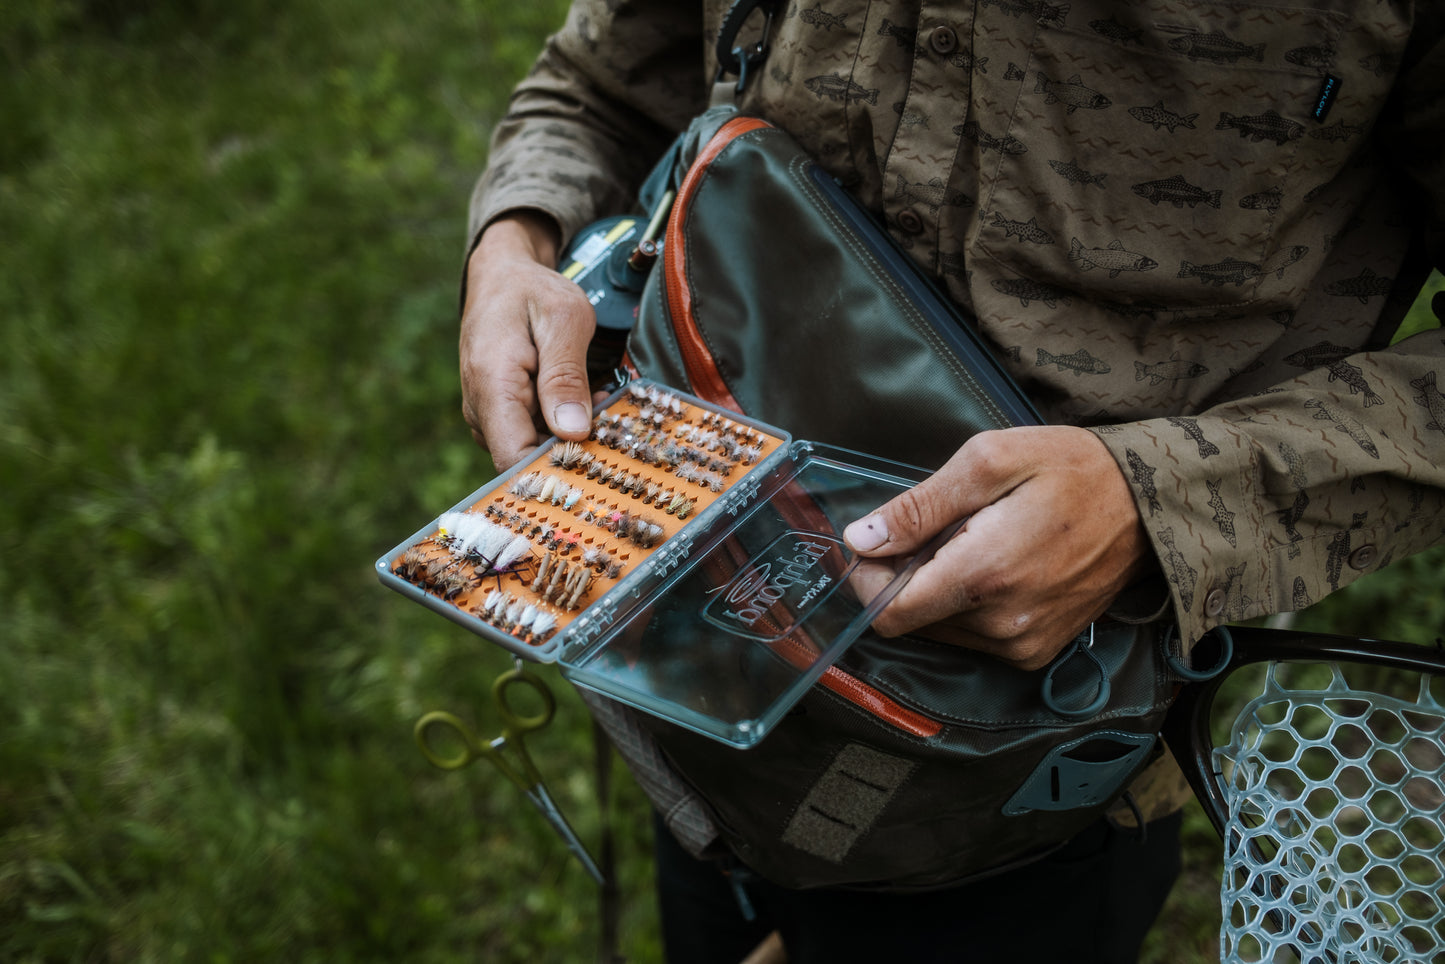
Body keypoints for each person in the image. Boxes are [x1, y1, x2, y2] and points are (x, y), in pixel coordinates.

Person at [458, 2, 1445, 960]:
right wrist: (513, 246)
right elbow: (601, 83)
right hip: (684, 672)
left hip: (1010, 795)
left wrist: (1156, 505)